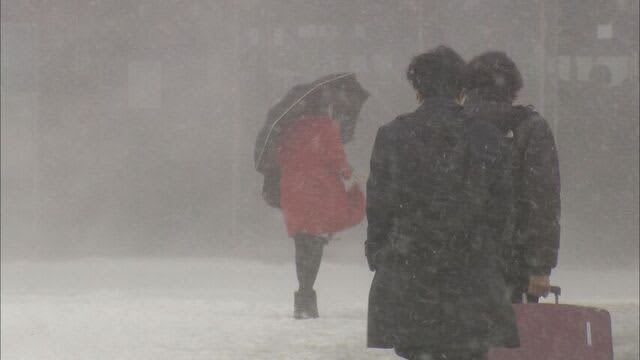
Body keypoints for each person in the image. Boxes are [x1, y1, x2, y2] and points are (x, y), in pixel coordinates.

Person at [365, 46, 519, 360]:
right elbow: (503, 208)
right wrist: (496, 257)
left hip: (410, 267)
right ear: (461, 90)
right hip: (473, 271)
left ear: (417, 89)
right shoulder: (488, 137)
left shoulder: (392, 135)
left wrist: (380, 253)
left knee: (418, 350)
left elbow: (380, 205)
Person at [462, 51, 561, 303]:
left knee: (459, 338)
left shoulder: (449, 123)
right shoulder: (530, 127)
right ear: (514, 86)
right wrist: (540, 267)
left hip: (455, 260)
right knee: (514, 336)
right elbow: (543, 202)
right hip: (513, 261)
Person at [278, 100, 365, 319]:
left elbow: (280, 158)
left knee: (301, 242)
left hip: (294, 191)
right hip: (318, 193)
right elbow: (337, 160)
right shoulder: (327, 127)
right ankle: (307, 297)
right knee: (315, 242)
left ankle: (302, 296)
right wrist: (349, 173)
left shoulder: (289, 129)